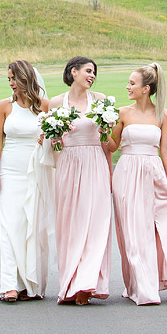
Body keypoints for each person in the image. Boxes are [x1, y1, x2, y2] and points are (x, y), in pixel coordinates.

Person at [108, 63, 167, 305]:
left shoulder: (162, 115)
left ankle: (149, 282)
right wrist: (104, 131)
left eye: (132, 83)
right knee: (131, 231)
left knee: (150, 230)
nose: (127, 87)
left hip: (153, 173)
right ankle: (138, 286)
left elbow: (166, 149)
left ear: (146, 88)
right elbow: (112, 146)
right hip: (127, 172)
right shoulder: (122, 113)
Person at [47, 55, 112, 304]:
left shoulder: (101, 101)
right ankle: (70, 283)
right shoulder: (55, 103)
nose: (92, 75)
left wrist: (110, 173)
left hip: (94, 162)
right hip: (68, 165)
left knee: (95, 223)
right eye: (87, 70)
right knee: (70, 224)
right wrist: (53, 140)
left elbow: (107, 143)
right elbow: (51, 142)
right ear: (73, 72)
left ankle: (87, 284)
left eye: (94, 72)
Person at [0, 59, 51, 300]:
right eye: (9, 80)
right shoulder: (4, 106)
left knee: (30, 225)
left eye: (14, 79)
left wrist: (46, 140)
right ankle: (9, 284)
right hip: (10, 168)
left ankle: (29, 283)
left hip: (35, 168)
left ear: (26, 78)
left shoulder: (44, 105)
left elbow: (52, 137)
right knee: (8, 224)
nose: (11, 84)